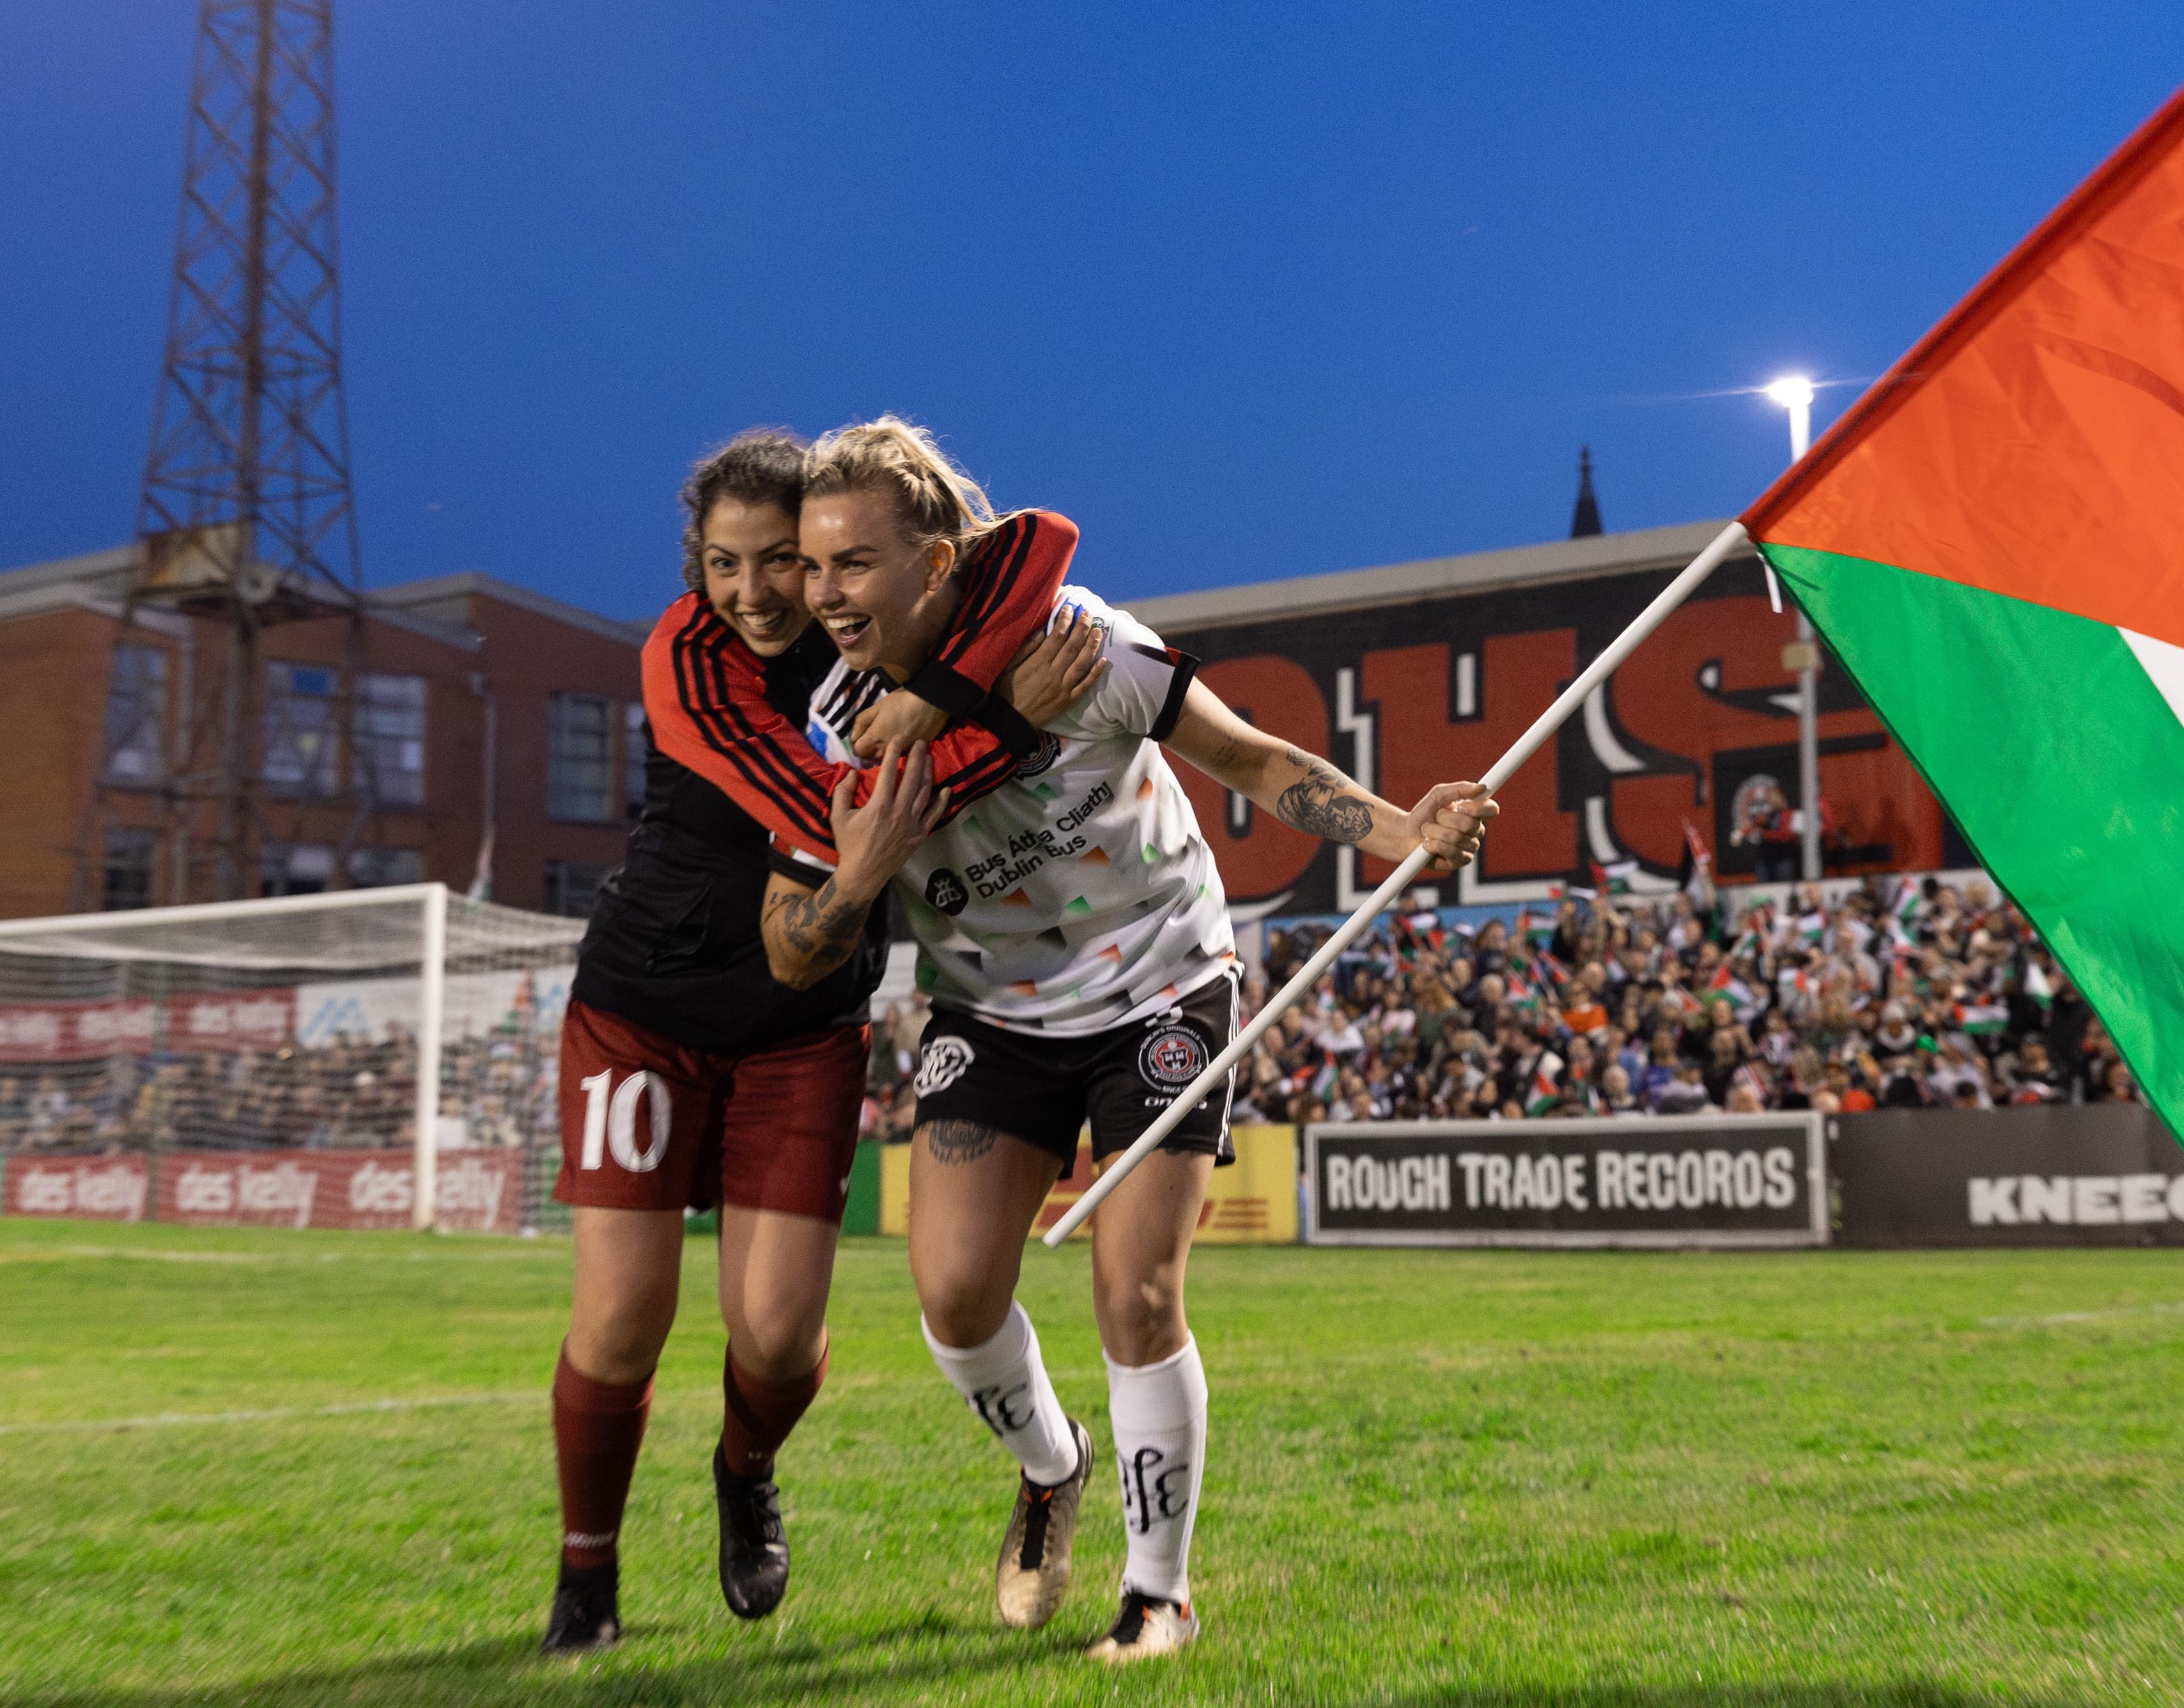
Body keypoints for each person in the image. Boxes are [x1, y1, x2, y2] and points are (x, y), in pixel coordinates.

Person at [787, 417, 1496, 1663]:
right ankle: (1050, 1471)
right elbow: (853, 843)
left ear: (938, 563)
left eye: (854, 562)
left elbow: (1248, 756)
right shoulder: (830, 711)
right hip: (989, 1008)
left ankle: (1157, 1593)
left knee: (1140, 1290)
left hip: (1163, 982)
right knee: (955, 1302)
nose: (825, 592)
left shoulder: (1090, 643)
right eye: (812, 563)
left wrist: (1400, 831)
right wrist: (971, 731)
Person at [538, 429, 1084, 1656]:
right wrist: (997, 723)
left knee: (778, 1335)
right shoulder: (685, 656)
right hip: (648, 1010)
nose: (754, 592)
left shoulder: (873, 632)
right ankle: (587, 1574)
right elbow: (840, 816)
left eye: (783, 561)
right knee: (623, 1316)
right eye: (724, 565)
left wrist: (938, 682)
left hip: (803, 1028)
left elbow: (1042, 542)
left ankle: (745, 1470)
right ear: (696, 569)